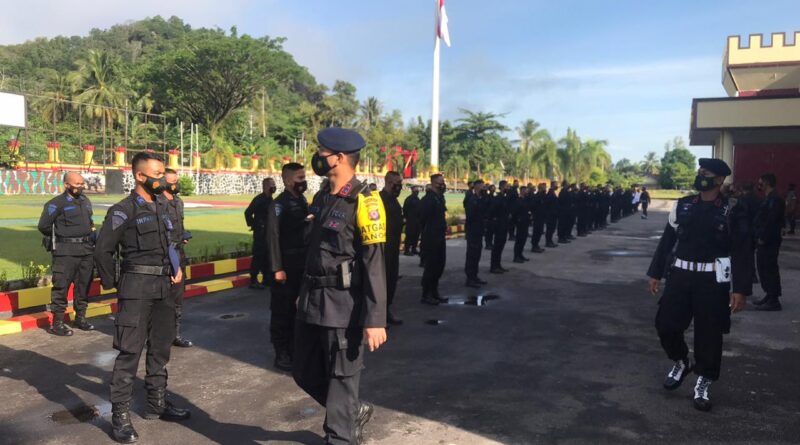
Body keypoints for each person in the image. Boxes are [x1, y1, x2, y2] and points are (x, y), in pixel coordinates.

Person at [293, 128, 387, 445]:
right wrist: (301, 295)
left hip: (344, 305)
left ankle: (341, 433)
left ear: (339, 158)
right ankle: (352, 410)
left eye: (322, 152)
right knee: (303, 371)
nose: (317, 157)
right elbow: (314, 253)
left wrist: (375, 319)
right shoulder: (322, 197)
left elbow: (374, 263)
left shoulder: (365, 200)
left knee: (341, 379)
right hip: (312, 300)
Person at [95, 152, 190, 444]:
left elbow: (170, 242)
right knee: (129, 352)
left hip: (164, 286)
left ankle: (156, 403)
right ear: (140, 176)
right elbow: (103, 250)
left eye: (163, 173)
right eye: (157, 174)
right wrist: (115, 283)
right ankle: (120, 416)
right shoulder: (123, 210)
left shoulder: (163, 206)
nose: (163, 179)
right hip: (136, 287)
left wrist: (176, 267)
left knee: (160, 348)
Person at [647, 158, 752, 413]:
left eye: (706, 173)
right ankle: (681, 361)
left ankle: (704, 381)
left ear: (719, 180)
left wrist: (740, 289)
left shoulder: (732, 210)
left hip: (712, 281)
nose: (700, 176)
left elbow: (742, 251)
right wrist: (655, 272)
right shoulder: (683, 205)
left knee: (709, 334)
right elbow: (667, 241)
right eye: (700, 171)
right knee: (666, 324)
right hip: (680, 276)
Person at [37, 172, 96, 336]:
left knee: (83, 286)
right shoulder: (56, 203)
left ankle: (80, 318)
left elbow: (90, 222)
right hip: (65, 252)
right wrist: (63, 236)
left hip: (86, 250)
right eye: (77, 184)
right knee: (61, 287)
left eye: (82, 183)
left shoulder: (85, 201)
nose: (81, 186)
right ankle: (57, 323)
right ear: (66, 185)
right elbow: (44, 226)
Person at [266, 163, 309, 371]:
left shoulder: (301, 200)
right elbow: (272, 236)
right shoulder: (279, 205)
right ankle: (281, 352)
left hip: (301, 264)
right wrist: (277, 268)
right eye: (300, 178)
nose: (303, 181)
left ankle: (294, 349)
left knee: (296, 311)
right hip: (285, 266)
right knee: (282, 312)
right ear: (288, 180)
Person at [161, 169, 193, 348]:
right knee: (163, 298)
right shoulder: (158, 203)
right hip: (165, 255)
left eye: (177, 181)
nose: (176, 185)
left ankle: (175, 334)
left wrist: (184, 236)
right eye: (173, 182)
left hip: (179, 253)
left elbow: (179, 226)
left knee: (178, 298)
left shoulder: (178, 202)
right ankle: (159, 336)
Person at [752, 173, 785, 311]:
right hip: (764, 238)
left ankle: (773, 300)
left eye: (761, 182)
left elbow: (771, 221)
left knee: (769, 268)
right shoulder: (769, 198)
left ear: (766, 183)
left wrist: (763, 237)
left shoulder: (775, 199)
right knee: (763, 267)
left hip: (769, 240)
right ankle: (769, 294)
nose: (759, 185)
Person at [380, 171, 404, 325]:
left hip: (394, 248)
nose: (399, 187)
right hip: (383, 249)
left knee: (391, 281)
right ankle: (379, 316)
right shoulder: (380, 201)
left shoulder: (394, 201)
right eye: (397, 184)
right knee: (382, 283)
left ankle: (387, 310)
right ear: (389, 183)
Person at [419, 174, 448, 304]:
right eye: (439, 183)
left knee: (439, 266)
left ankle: (434, 292)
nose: (442, 185)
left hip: (440, 237)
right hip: (430, 238)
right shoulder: (428, 200)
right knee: (430, 267)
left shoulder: (439, 198)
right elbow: (422, 219)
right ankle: (426, 294)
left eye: (443, 182)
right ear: (433, 184)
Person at [244, 178, 276, 289]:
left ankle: (266, 278)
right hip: (260, 232)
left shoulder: (270, 199)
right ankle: (253, 280)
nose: (274, 187)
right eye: (272, 185)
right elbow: (248, 212)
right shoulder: (259, 199)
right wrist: (254, 225)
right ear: (266, 186)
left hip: (268, 232)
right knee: (258, 255)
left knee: (267, 255)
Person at [464, 179, 488, 288]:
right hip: (473, 231)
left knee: (477, 255)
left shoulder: (480, 199)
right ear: (477, 187)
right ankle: (470, 278)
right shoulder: (472, 199)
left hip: (478, 231)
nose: (484, 188)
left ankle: (474, 276)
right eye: (482, 186)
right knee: (472, 255)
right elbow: (470, 216)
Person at [511, 185, 531, 263]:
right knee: (519, 240)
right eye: (525, 190)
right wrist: (517, 220)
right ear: (522, 191)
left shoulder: (525, 199)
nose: (527, 191)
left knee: (523, 239)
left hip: (525, 222)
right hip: (520, 222)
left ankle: (520, 254)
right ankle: (516, 256)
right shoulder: (518, 200)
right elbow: (515, 212)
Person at [402, 186, 422, 256]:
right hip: (410, 220)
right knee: (409, 235)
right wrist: (406, 218)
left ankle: (414, 249)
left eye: (417, 190)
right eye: (416, 190)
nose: (417, 191)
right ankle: (407, 250)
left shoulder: (417, 199)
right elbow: (405, 209)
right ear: (412, 191)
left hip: (417, 220)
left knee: (416, 235)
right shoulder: (408, 199)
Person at [529, 183, 547, 253]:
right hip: (537, 216)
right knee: (536, 231)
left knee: (540, 231)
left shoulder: (543, 195)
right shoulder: (537, 196)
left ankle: (536, 245)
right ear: (540, 188)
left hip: (541, 216)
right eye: (544, 188)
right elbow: (533, 206)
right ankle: (534, 246)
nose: (545, 189)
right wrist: (534, 214)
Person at [544, 181, 559, 248]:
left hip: (553, 213)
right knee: (550, 228)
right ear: (552, 185)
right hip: (550, 214)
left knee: (552, 228)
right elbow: (549, 203)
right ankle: (548, 242)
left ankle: (550, 241)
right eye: (556, 185)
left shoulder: (553, 192)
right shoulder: (550, 193)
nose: (557, 186)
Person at [484, 184, 496, 250]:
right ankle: (487, 244)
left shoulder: (493, 197)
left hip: (492, 217)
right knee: (488, 232)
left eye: (494, 188)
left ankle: (490, 243)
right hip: (488, 217)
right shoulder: (488, 197)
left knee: (491, 231)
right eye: (492, 188)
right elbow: (486, 207)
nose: (494, 189)